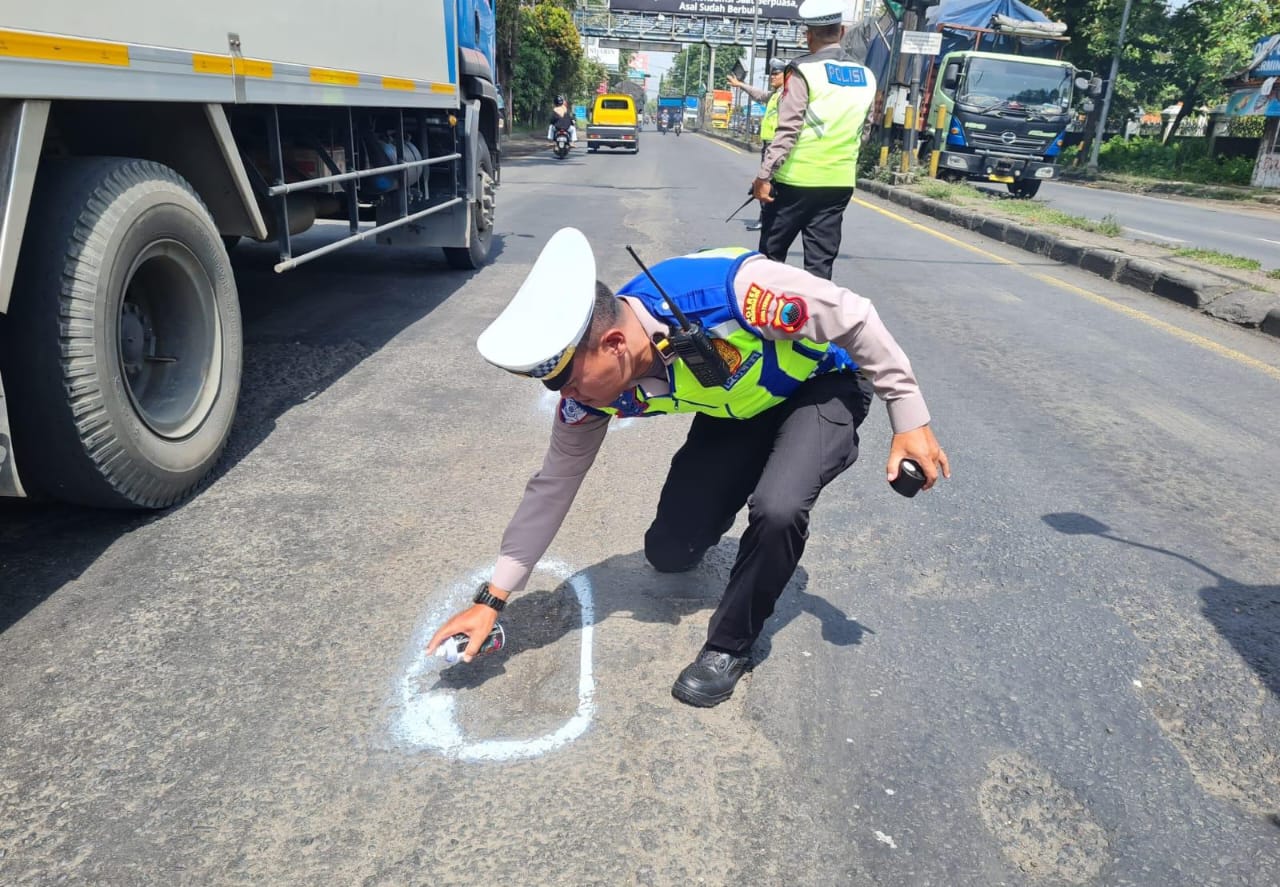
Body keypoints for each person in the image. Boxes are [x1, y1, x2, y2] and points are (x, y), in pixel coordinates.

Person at [427, 227, 949, 708]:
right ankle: (733, 499)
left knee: (778, 507)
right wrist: (492, 599)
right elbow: (554, 484)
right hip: (740, 410)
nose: (568, 397)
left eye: (570, 381)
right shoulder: (592, 395)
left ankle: (730, 647)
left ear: (614, 345)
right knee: (669, 552)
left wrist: (909, 418)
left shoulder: (729, 294)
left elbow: (854, 316)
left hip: (821, 386)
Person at [753, 0, 876, 280]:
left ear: (809, 36)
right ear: (842, 32)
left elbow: (788, 129)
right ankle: (816, 309)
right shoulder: (866, 76)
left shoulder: (802, 71)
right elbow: (864, 131)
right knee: (820, 267)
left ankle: (771, 310)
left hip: (794, 182)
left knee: (770, 261)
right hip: (838, 183)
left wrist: (764, 175)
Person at [728, 57, 787, 231]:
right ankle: (767, 218)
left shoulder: (786, 96)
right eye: (771, 74)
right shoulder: (775, 94)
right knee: (768, 182)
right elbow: (759, 95)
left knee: (765, 182)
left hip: (775, 145)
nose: (772, 77)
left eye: (776, 74)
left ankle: (767, 220)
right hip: (768, 145)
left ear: (786, 76)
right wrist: (740, 85)